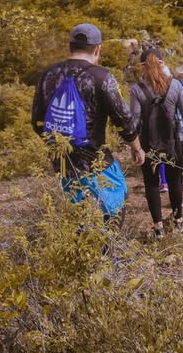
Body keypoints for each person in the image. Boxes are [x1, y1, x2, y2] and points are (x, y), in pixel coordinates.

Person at [31, 23, 144, 223]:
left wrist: (58, 146)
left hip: (63, 161)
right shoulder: (101, 76)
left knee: (78, 213)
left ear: (70, 46)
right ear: (97, 48)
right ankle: (107, 251)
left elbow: (37, 121)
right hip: (96, 159)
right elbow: (123, 118)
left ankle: (82, 250)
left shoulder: (48, 74)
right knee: (116, 200)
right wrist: (136, 147)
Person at [129, 49, 183, 239]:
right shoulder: (174, 85)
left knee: (151, 184)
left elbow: (134, 121)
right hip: (173, 142)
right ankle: (178, 221)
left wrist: (134, 147)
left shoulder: (136, 90)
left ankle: (158, 226)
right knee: (175, 181)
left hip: (147, 143)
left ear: (142, 66)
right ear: (162, 63)